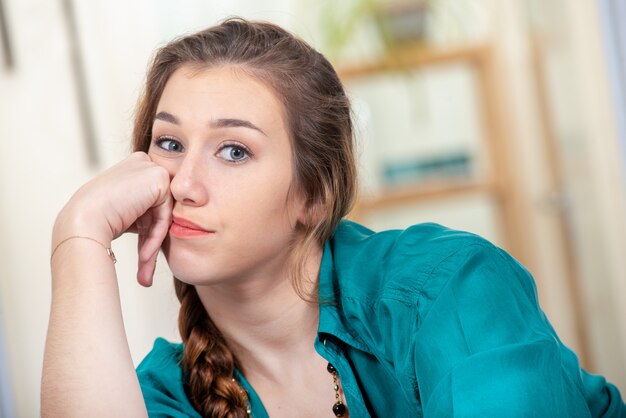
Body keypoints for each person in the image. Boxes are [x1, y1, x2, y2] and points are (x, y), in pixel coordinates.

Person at [41, 17, 624, 418]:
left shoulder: (447, 287)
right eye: (168, 144)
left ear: (313, 194)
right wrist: (79, 236)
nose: (184, 184)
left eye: (234, 151)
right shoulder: (169, 392)